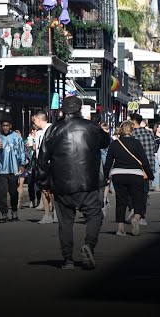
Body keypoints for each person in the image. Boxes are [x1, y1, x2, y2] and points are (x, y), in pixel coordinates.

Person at [36, 96, 111, 270]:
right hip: (88, 182)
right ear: (79, 109)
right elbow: (106, 141)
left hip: (62, 183)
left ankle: (68, 259)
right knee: (94, 215)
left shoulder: (53, 129)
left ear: (63, 110)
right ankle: (89, 245)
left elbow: (42, 160)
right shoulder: (91, 127)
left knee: (65, 222)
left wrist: (43, 182)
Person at [103, 120, 154, 237]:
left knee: (121, 201)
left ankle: (120, 229)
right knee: (139, 199)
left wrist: (105, 176)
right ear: (132, 131)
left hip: (118, 174)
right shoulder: (136, 143)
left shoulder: (114, 144)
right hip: (135, 175)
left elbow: (108, 163)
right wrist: (150, 175)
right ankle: (136, 217)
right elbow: (144, 161)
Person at [0, 120, 26, 222]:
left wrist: (22, 164)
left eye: (7, 125)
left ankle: (14, 212)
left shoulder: (17, 137)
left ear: (10, 126)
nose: (5, 127)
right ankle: (4, 214)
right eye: (3, 126)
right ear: (1, 126)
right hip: (2, 170)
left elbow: (21, 151)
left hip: (14, 169)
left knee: (13, 192)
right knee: (2, 193)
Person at [129, 113, 156, 226]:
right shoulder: (149, 133)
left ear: (133, 122)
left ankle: (133, 209)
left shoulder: (132, 134)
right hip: (147, 167)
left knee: (131, 191)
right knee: (144, 193)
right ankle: (141, 216)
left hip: (134, 167)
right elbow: (154, 148)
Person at [33, 110, 56, 223]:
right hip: (40, 163)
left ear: (38, 119)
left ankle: (56, 212)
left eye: (34, 119)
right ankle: (47, 214)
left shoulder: (52, 129)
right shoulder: (38, 133)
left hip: (50, 163)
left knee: (51, 190)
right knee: (43, 189)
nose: (34, 122)